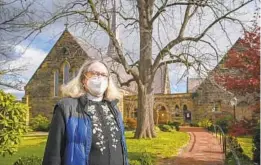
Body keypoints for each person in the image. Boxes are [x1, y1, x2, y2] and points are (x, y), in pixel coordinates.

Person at [42, 60, 128, 165]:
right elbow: (53, 155)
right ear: (83, 79)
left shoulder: (114, 109)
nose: (99, 77)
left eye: (103, 75)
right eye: (94, 73)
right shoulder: (66, 108)